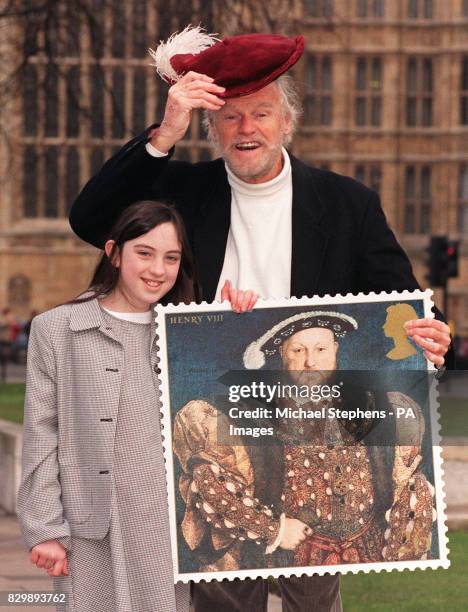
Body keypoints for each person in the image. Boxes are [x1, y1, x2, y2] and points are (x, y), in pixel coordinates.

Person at [69, 26, 452, 612]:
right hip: (221, 428)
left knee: (314, 595)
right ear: (213, 129)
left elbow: (401, 302)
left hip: (317, 441)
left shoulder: (348, 203)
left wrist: (430, 327)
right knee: (224, 596)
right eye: (231, 118)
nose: (246, 130)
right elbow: (92, 218)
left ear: (287, 122)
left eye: (261, 115)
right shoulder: (181, 194)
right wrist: (165, 132)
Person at [17, 200, 252, 612]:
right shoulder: (56, 330)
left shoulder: (190, 332)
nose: (157, 270)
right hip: (90, 525)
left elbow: (242, 408)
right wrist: (44, 529)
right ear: (113, 253)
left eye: (171, 258)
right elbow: (41, 435)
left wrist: (235, 323)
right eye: (144, 253)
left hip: (166, 528)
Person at [173, 310, 435, 577]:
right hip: (288, 557)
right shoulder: (251, 415)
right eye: (298, 350)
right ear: (281, 355)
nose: (311, 362)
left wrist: (405, 544)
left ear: (334, 349)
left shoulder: (376, 406)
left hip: (369, 550)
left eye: (320, 348)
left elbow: (409, 481)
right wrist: (273, 530)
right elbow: (208, 484)